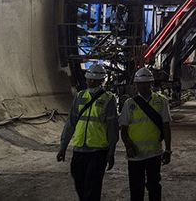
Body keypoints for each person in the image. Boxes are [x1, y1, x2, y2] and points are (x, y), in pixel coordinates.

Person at [57, 63, 118, 201]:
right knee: (79, 181)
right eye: (89, 79)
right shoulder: (80, 96)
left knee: (93, 185)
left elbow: (112, 128)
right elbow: (70, 124)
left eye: (94, 79)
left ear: (101, 80)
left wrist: (111, 151)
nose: (90, 81)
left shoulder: (108, 99)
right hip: (79, 149)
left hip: (98, 151)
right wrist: (63, 147)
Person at [120, 67, 172, 201]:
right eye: (140, 83)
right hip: (135, 155)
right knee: (136, 188)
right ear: (136, 85)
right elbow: (124, 129)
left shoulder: (161, 101)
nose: (143, 86)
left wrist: (168, 150)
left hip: (154, 153)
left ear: (151, 83)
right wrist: (128, 146)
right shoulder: (129, 104)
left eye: (146, 83)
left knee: (154, 186)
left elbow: (166, 126)